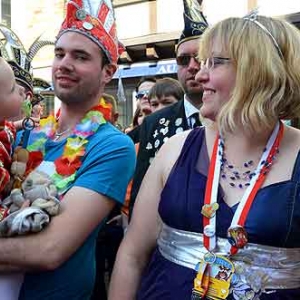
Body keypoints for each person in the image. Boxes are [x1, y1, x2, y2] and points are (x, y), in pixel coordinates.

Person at [109, 14, 300, 299]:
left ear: (258, 69)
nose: (199, 75)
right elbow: (132, 256)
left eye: (215, 62)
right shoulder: (174, 150)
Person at [0, 1, 136, 300]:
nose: (64, 63)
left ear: (107, 72)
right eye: (59, 54)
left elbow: (49, 250)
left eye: (80, 56)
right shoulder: (24, 133)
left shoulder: (113, 145)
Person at [128, 0, 208, 216]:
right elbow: (140, 192)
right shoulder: (155, 123)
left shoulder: (235, 119)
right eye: (183, 60)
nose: (192, 66)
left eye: (200, 57)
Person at [127, 76, 156, 143]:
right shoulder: (130, 137)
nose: (145, 96)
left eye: (149, 92)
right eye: (140, 94)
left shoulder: (168, 127)